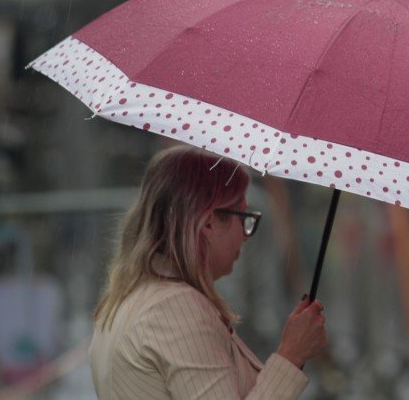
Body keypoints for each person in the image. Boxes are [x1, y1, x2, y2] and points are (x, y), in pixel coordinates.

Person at [89, 145, 327, 399]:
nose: (246, 236)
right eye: (243, 216)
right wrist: (291, 356)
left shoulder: (133, 298)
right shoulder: (177, 310)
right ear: (209, 222)